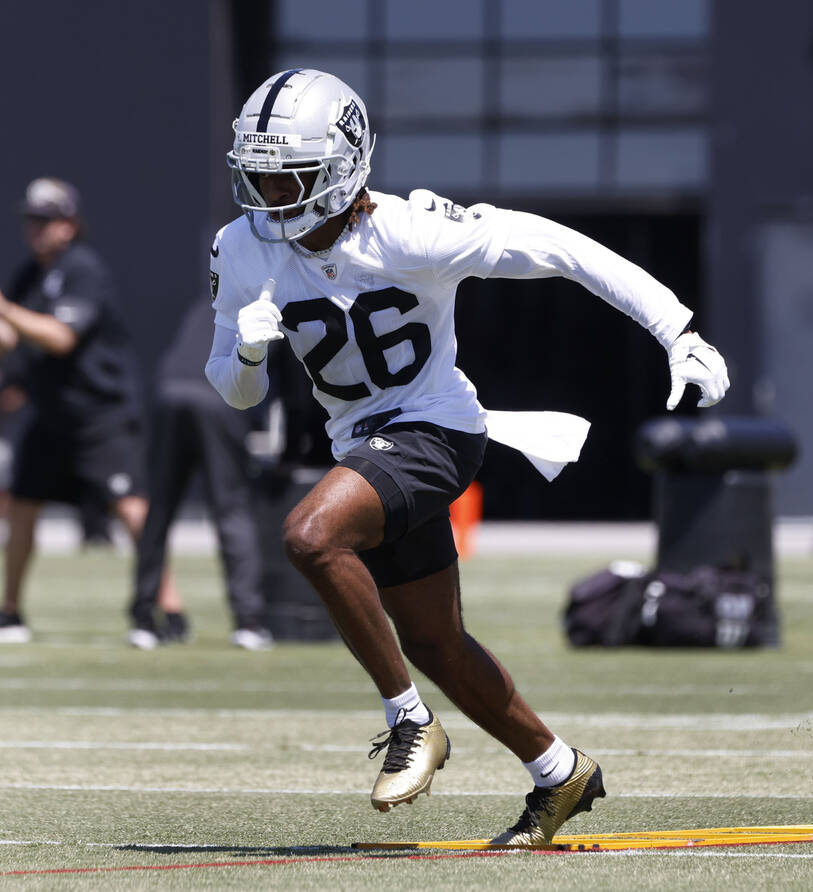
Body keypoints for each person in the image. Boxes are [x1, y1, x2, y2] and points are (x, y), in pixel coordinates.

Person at [206, 69, 728, 844]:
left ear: (342, 169)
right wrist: (248, 355)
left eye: (290, 176)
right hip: (362, 443)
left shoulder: (409, 231)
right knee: (434, 641)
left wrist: (675, 329)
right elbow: (236, 391)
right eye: (260, 175)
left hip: (436, 429)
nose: (271, 194)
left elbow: (557, 247)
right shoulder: (241, 246)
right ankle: (560, 772)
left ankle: (409, 721)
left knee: (310, 535)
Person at [0, 178, 182, 643]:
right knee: (22, 505)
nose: (35, 228)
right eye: (31, 220)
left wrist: (6, 310)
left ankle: (170, 609)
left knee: (130, 506)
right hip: (51, 414)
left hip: (101, 414)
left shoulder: (84, 269)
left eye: (45, 220)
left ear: (69, 224)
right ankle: (10, 612)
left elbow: (60, 337)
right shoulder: (29, 275)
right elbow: (11, 338)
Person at [127, 297, 272, 651]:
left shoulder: (210, 303)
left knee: (159, 510)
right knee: (231, 509)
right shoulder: (274, 311)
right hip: (217, 400)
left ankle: (144, 620)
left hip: (169, 393)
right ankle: (248, 622)